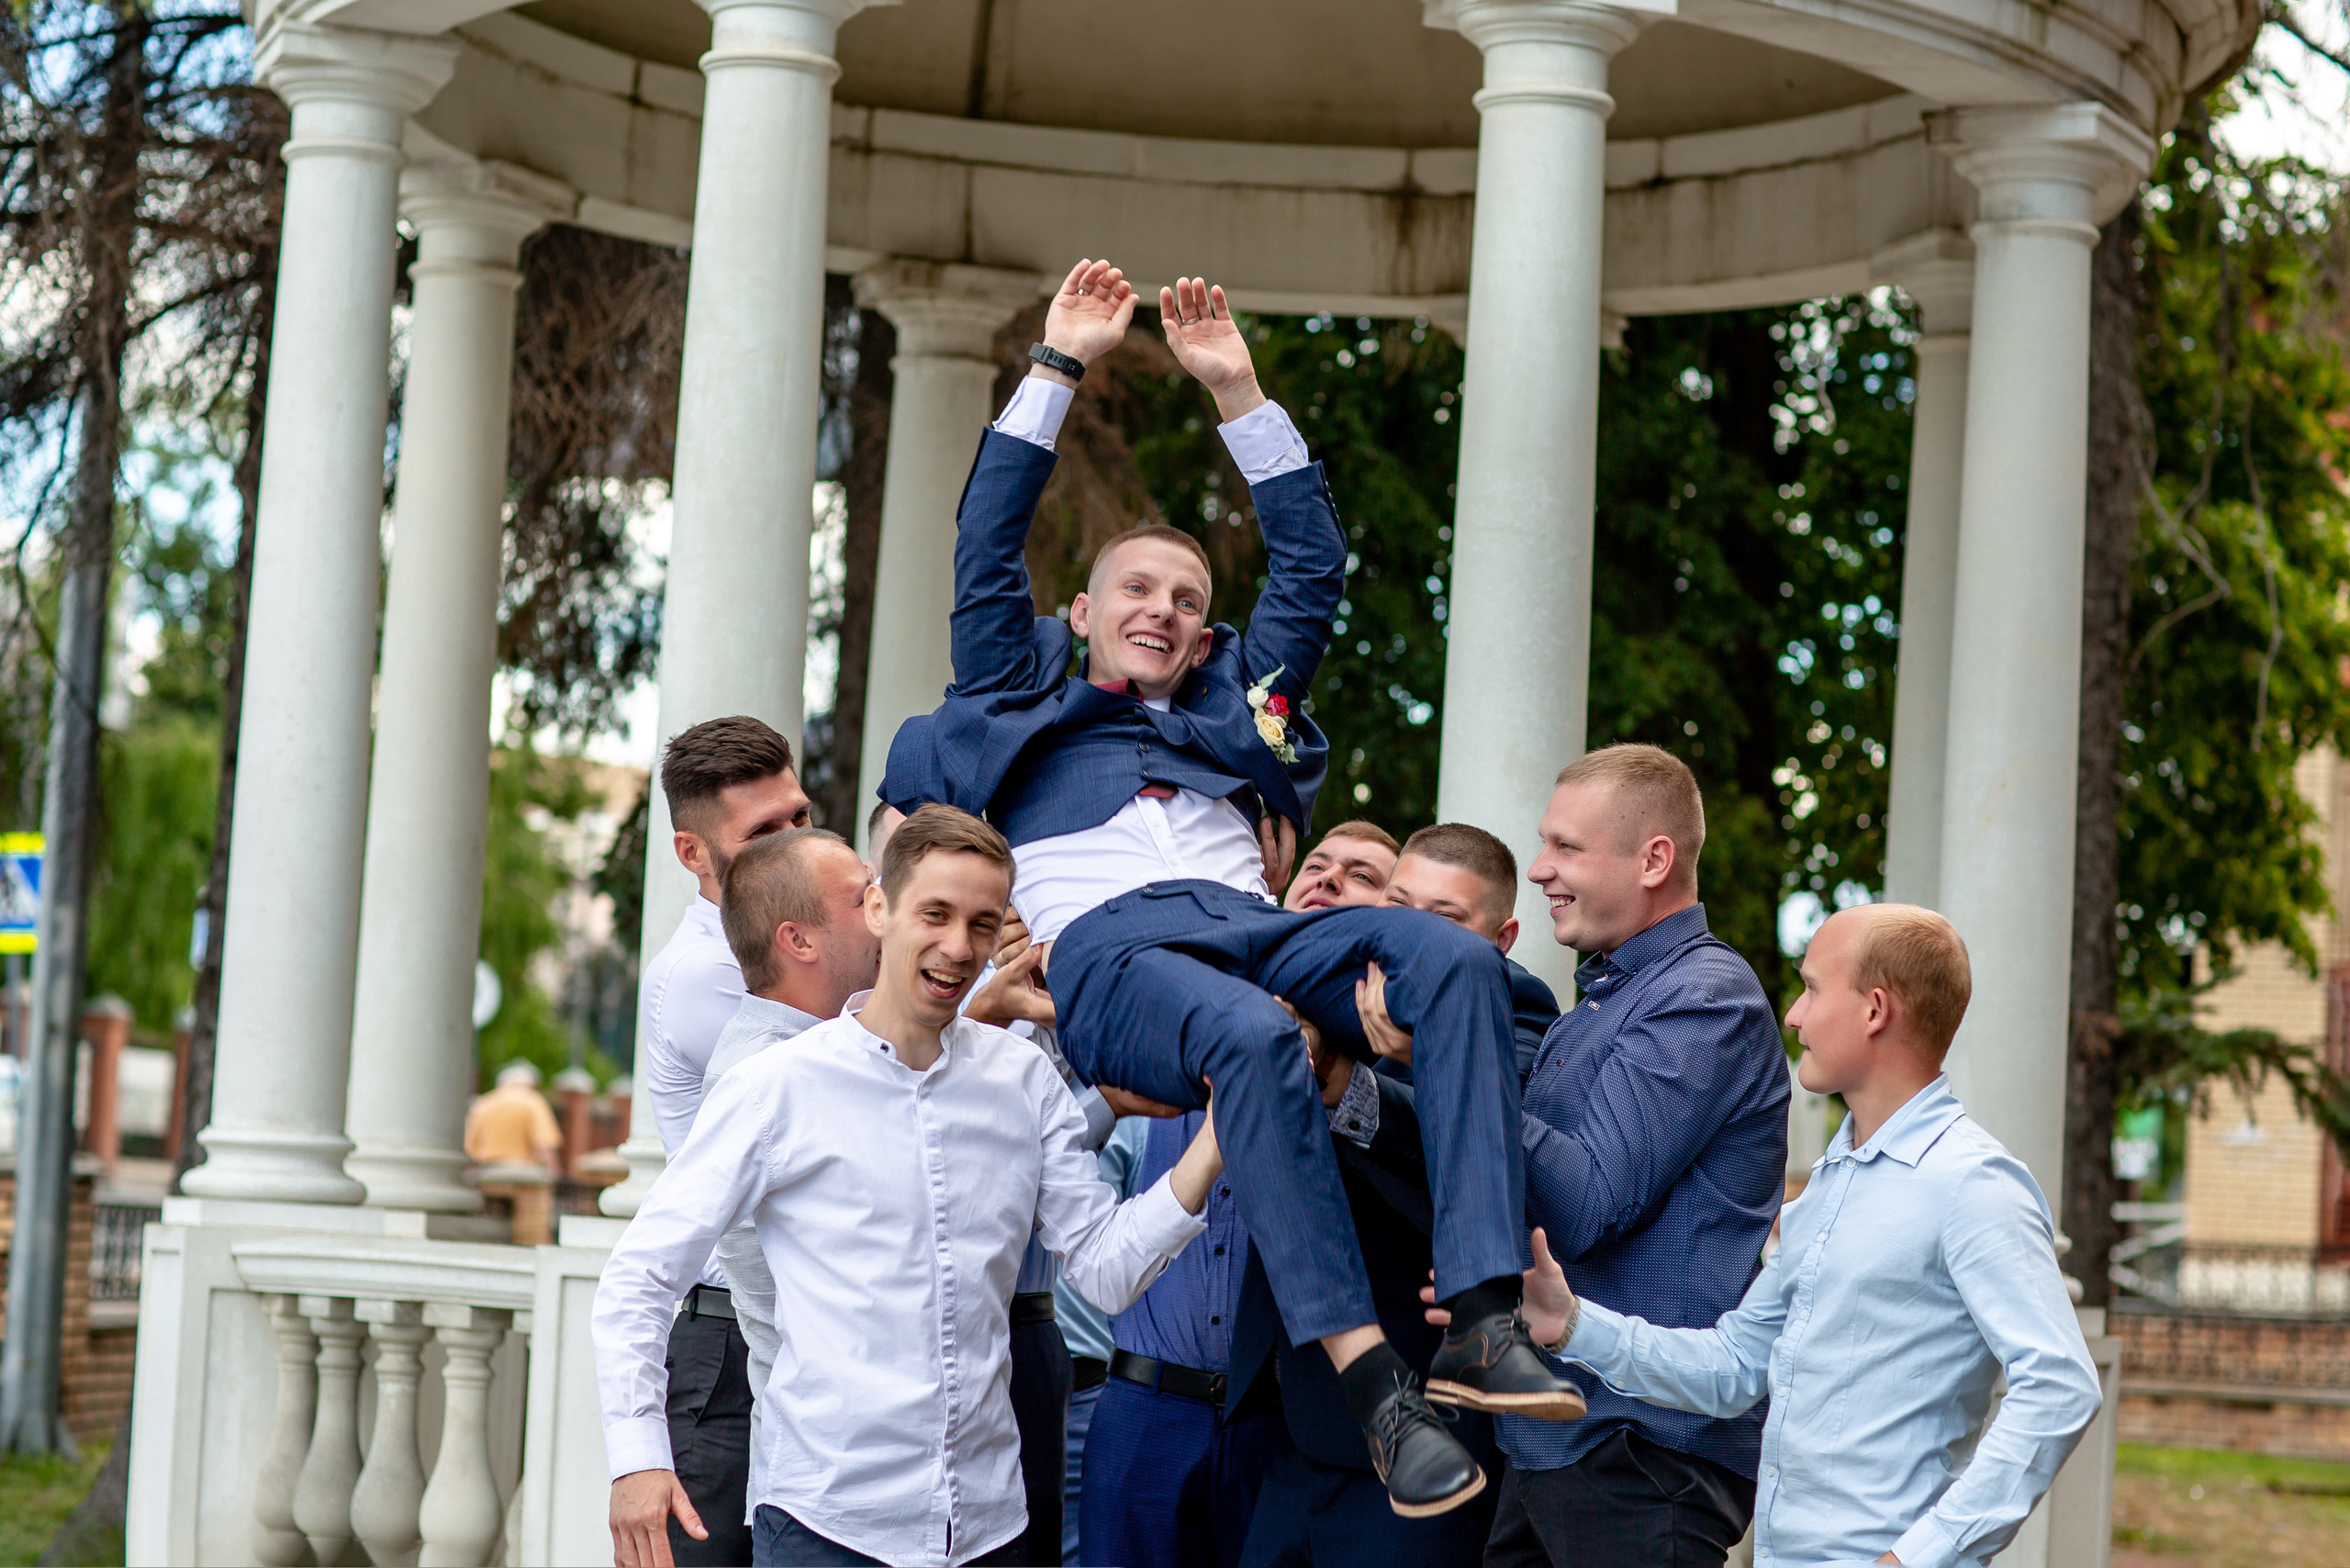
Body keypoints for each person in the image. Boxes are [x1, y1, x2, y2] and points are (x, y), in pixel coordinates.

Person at [884, 259, 1580, 1518]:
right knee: (1257, 1041)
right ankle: (1373, 1383)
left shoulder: (1239, 716)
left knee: (1457, 960)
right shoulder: (1012, 695)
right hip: (1113, 957)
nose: (1161, 610)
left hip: (1250, 931)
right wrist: (1058, 363)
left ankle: (1480, 1316)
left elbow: (1311, 569)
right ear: (1082, 611)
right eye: (1137, 590)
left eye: (1188, 600)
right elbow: (986, 539)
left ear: (1208, 637)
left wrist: (1238, 392)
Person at [597, 805, 1226, 1568]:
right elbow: (640, 1277)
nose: (959, 946)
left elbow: (1105, 1268)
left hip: (988, 1527)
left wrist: (1216, 1138)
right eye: (936, 914)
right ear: (879, 908)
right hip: (827, 1524)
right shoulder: (776, 1085)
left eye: (982, 923)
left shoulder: (1024, 1080)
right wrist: (638, 1457)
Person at [1440, 904, 2103, 1567]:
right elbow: (1734, 1368)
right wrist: (1571, 1324)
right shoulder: (1832, 1186)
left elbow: (2060, 1387)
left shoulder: (1973, 1181)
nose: (1792, 1015)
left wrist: (1920, 1556)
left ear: (1875, 1010)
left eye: (1812, 988)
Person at [1374, 745, 1789, 1567]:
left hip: (1639, 1454)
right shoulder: (1603, 1001)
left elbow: (1585, 1203)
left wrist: (1448, 1053)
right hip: (1560, 1445)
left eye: (1566, 847)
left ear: (1654, 861)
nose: (1539, 869)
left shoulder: (1706, 997)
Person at [1077, 821, 1404, 1568]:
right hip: (1142, 1410)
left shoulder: (1380, 1074)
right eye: (1317, 865)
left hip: (1281, 1431)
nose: (1329, 877)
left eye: (1362, 875)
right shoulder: (1178, 1004)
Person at [1238, 823, 1556, 1568]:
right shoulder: (1331, 984)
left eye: (1444, 920)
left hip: (1427, 1426)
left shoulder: (1518, 1007)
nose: (1412, 935)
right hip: (1290, 1421)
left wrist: (1355, 1078)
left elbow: (1481, 1150)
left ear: (1501, 939)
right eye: (1398, 907)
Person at [634, 715, 814, 1564]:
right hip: (729, 1346)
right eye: (762, 832)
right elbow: (854, 1078)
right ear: (692, 853)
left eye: (800, 818)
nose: (792, 844)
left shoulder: (808, 951)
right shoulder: (706, 974)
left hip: (797, 1328)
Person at [694, 825, 884, 1518]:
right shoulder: (762, 1076)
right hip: (825, 1471)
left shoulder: (836, 1045)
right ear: (798, 941)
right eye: (863, 898)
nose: (885, 908)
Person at [463, 1059, 563, 1175]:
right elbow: (545, 1144)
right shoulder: (533, 1101)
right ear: (531, 1084)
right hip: (521, 1171)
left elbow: (468, 1146)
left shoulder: (483, 1103)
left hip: (486, 1170)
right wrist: (554, 1173)